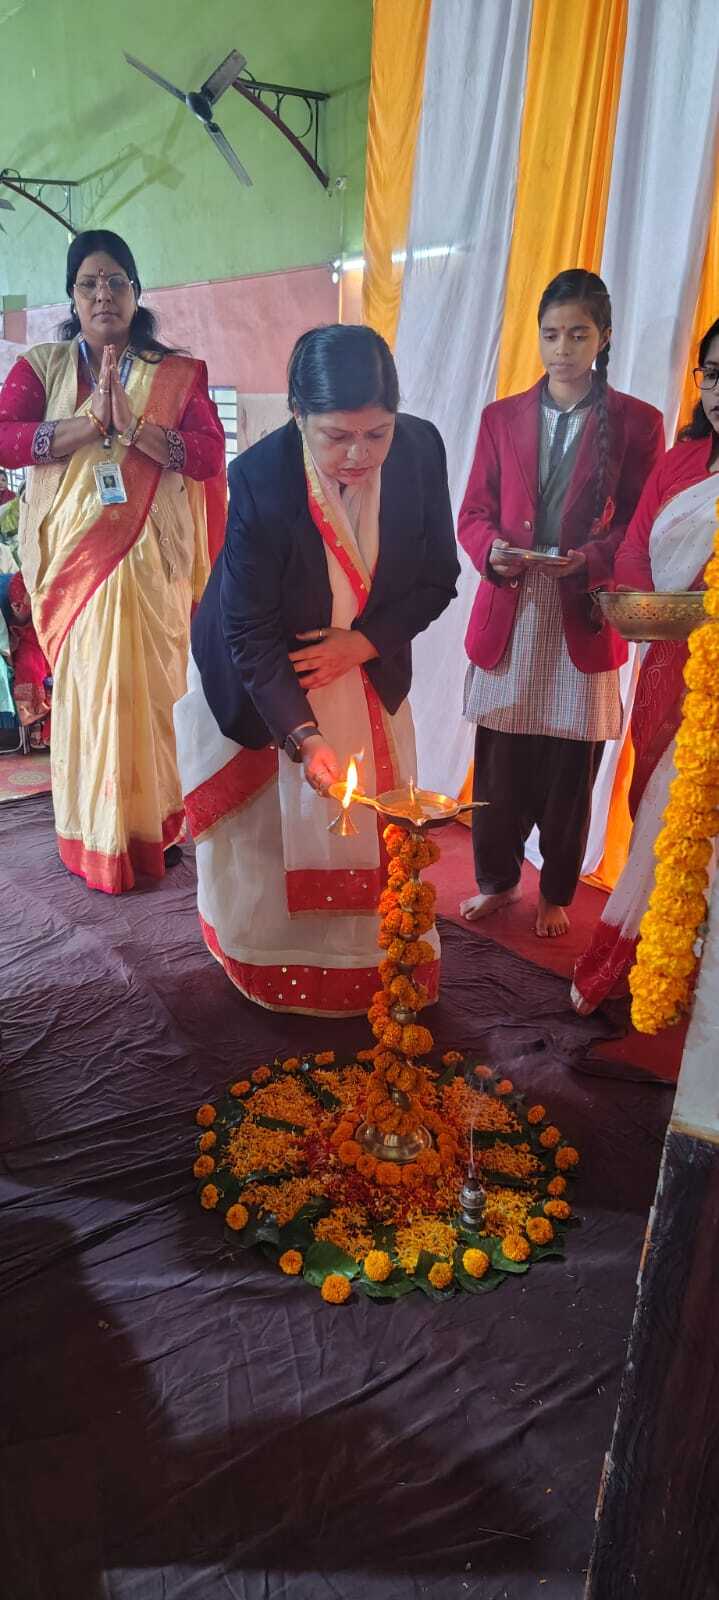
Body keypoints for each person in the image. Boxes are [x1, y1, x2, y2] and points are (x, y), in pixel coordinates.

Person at [174, 323, 459, 1015]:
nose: (358, 455)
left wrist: (362, 645)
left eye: (376, 433)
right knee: (266, 836)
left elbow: (437, 578)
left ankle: (372, 964)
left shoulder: (420, 449)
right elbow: (249, 629)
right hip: (266, 679)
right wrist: (304, 738)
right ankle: (268, 963)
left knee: (375, 825)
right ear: (299, 414)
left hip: (365, 673)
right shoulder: (261, 478)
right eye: (337, 436)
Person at [0, 228, 226, 892]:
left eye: (116, 281)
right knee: (89, 696)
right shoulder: (42, 366)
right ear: (72, 296)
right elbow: (3, 437)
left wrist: (136, 429)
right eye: (89, 283)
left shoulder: (176, 373)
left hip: (155, 564)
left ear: (136, 291)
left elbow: (209, 453)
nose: (104, 293)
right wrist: (87, 427)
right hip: (73, 567)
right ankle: (92, 833)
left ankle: (158, 828)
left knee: (154, 694)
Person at [457, 269, 664, 938]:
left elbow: (638, 524)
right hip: (511, 608)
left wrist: (592, 560)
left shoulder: (638, 422)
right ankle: (496, 881)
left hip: (582, 614)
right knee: (499, 760)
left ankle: (555, 891)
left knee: (570, 769)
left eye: (578, 334)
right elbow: (473, 513)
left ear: (604, 337)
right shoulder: (499, 417)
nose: (562, 349)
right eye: (550, 334)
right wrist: (491, 551)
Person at [572, 317, 719, 1015]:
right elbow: (635, 546)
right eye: (712, 374)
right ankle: (647, 964)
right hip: (670, 660)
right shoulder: (683, 462)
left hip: (712, 680)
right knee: (659, 811)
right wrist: (645, 603)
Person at [0, 570, 51, 744]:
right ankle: (35, 718)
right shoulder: (16, 584)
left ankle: (43, 721)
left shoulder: (48, 575)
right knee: (28, 666)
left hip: (45, 633)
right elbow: (17, 617)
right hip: (21, 636)